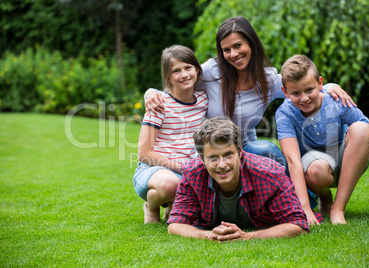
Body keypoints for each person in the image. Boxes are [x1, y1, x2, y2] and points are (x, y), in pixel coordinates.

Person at [144, 16, 355, 169]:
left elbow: (301, 85)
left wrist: (329, 87)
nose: (233, 54)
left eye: (238, 45)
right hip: (213, 146)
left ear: (251, 43)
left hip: (246, 145)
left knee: (268, 151)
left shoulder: (269, 80)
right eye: (226, 49)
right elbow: (180, 80)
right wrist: (150, 92)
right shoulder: (210, 72)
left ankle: (301, 200)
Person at [275, 54, 369, 225]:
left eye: (309, 90)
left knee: (362, 129)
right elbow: (293, 160)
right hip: (316, 168)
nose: (304, 98)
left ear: (320, 83)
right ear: (285, 92)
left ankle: (338, 209)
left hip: (347, 160)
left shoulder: (337, 100)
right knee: (316, 171)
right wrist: (305, 208)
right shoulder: (285, 113)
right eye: (295, 93)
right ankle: (324, 197)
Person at [167, 117, 309, 241]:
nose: (222, 165)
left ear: (240, 151)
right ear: (202, 159)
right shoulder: (193, 174)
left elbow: (298, 224)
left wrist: (247, 237)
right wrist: (209, 235)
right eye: (213, 158)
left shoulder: (269, 174)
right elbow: (175, 225)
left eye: (228, 155)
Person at [133, 45, 208, 223]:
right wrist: (182, 168)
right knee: (170, 184)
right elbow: (144, 154)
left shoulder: (203, 100)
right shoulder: (159, 104)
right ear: (168, 78)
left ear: (197, 69)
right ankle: (151, 206)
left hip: (187, 171)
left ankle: (174, 205)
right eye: (176, 71)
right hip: (153, 170)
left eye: (188, 68)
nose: (184, 75)